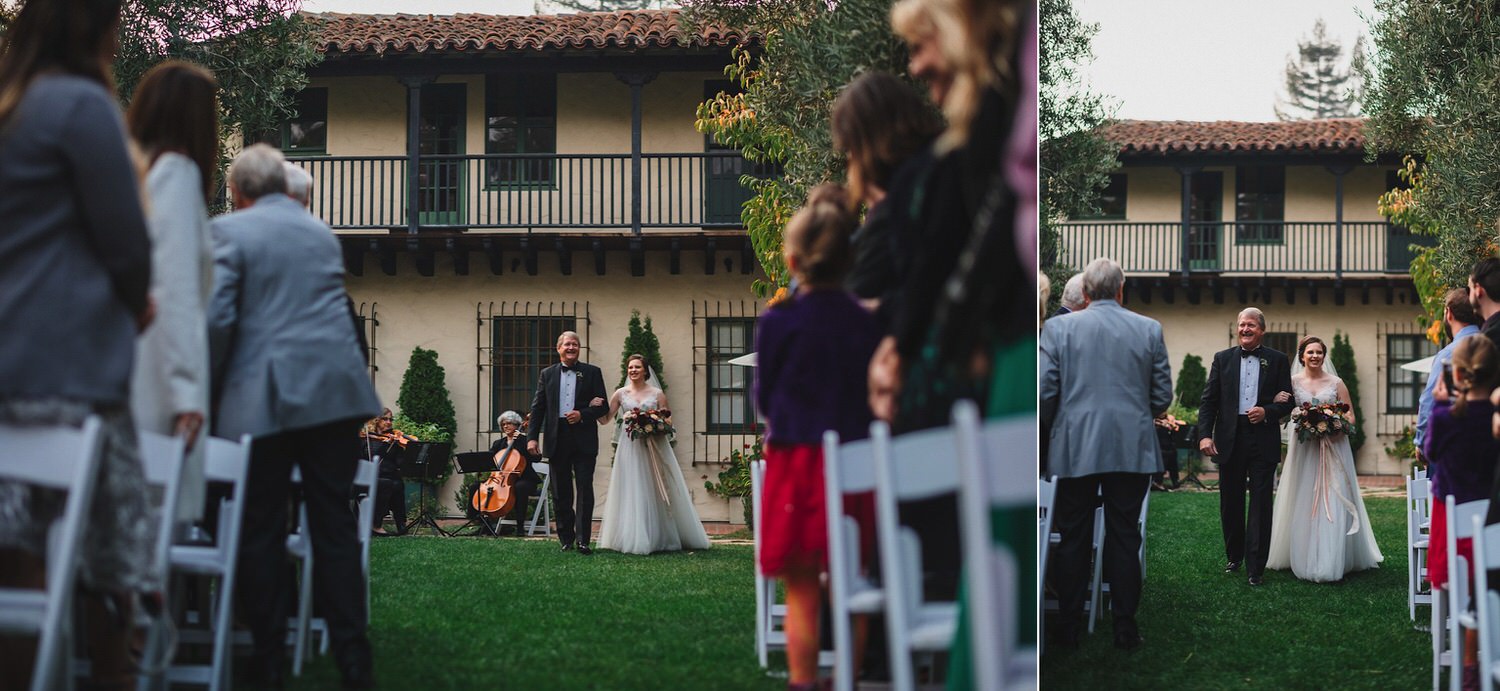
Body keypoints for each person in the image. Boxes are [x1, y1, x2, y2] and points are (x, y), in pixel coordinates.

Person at [0, 0, 157, 685]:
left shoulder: (11, 114)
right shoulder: (80, 108)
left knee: (16, 571)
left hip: (8, 369)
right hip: (73, 371)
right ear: (94, 33)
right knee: (111, 572)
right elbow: (126, 244)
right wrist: (137, 302)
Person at [209, 143, 382, 688]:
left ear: (238, 192)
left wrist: (207, 392)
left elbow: (217, 322)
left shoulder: (229, 232)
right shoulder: (320, 234)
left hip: (267, 394)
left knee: (258, 524)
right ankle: (354, 657)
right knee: (333, 524)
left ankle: (266, 656)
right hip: (334, 391)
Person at [755, 183, 881, 690]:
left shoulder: (778, 320)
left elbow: (764, 400)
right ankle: (849, 676)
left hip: (795, 464)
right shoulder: (866, 321)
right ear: (850, 257)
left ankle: (804, 682)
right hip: (855, 460)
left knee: (802, 586)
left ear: (791, 258)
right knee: (853, 580)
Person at [1039, 256, 1171, 651]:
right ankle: (1125, 627)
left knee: (1074, 535)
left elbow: (1045, 392)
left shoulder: (1058, 328)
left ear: (1085, 291)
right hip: (1131, 446)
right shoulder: (1149, 328)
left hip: (1075, 446)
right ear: (1120, 289)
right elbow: (1162, 397)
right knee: (1124, 535)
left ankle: (1067, 627)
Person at [125, 60, 218, 527]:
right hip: (162, 378)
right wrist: (186, 395)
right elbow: (176, 288)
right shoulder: (179, 175)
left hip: (136, 362)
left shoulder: (138, 177)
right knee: (155, 529)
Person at [1265, 336, 1383, 582]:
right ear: (1302, 356)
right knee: (1303, 495)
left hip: (1334, 447)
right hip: (1304, 449)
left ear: (1324, 355)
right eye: (1310, 352)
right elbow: (1282, 412)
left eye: (1319, 352)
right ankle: (1300, 552)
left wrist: (1335, 424)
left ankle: (1333, 557)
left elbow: (1350, 415)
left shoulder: (1336, 382)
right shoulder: (1292, 382)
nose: (1315, 356)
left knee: (1334, 494)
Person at [831, 70, 942, 323]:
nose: (849, 164)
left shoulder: (894, 217)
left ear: (866, 149)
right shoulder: (937, 186)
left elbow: (846, 311)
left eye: (850, 149)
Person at [1196, 307, 1294, 587]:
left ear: (1262, 330)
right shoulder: (1222, 359)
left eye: (1251, 325)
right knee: (1231, 501)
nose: (1245, 329)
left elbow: (1289, 402)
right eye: (1241, 325)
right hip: (1230, 437)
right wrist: (1205, 435)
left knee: (1261, 502)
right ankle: (1234, 555)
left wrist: (1267, 411)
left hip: (1262, 437)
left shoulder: (1277, 360)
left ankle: (1256, 566)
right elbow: (1209, 401)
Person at [1425, 336, 1500, 689]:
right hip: (1494, 521)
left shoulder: (1443, 416)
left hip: (1453, 526)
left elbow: (1432, 454)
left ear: (1456, 372)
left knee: (1464, 583)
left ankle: (1466, 661)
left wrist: (1442, 407)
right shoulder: (1495, 418)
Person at [596, 354, 711, 554]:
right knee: (632, 488)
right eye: (630, 367)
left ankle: (662, 535)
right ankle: (631, 535)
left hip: (655, 446)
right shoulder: (620, 394)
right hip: (629, 448)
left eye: (637, 367)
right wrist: (595, 407)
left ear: (645, 371)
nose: (633, 370)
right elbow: (606, 420)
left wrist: (652, 423)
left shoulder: (657, 394)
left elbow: (668, 422)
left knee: (656, 488)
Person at [525, 331, 609, 554]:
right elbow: (538, 407)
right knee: (560, 491)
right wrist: (532, 437)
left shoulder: (592, 372)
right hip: (556, 436)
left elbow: (604, 407)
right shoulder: (547, 374)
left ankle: (583, 540)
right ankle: (565, 539)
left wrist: (583, 414)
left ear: (579, 348)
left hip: (583, 437)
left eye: (575, 344)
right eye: (567, 344)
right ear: (558, 348)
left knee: (584, 488)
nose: (571, 347)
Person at [1418, 288, 1483, 454]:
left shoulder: (1448, 354)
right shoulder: (1490, 345)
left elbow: (1428, 402)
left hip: (1453, 444)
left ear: (1449, 313)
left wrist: (1421, 442)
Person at [487, 410, 540, 536]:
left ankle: (520, 527)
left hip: (526, 479)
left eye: (509, 423)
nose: (505, 426)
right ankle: (484, 525)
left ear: (517, 425)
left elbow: (537, 457)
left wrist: (521, 440)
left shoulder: (525, 441)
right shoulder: (498, 443)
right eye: (503, 424)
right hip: (501, 480)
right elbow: (490, 461)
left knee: (519, 487)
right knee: (476, 488)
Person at [361, 408, 412, 536]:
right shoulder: (366, 439)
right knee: (388, 483)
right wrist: (385, 445)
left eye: (390, 419)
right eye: (385, 419)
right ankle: (376, 524)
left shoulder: (393, 440)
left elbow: (399, 462)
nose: (389, 422)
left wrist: (404, 451)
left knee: (398, 483)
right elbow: (370, 459)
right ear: (377, 420)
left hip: (390, 474)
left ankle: (401, 523)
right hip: (372, 476)